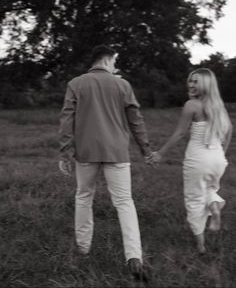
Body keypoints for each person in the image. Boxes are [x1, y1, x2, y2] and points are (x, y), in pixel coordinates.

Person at [58, 44, 155, 281]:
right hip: (117, 152)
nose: (115, 66)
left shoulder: (76, 84)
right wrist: (146, 149)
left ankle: (83, 249)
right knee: (124, 202)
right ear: (108, 59)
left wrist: (64, 152)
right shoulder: (122, 84)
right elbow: (136, 120)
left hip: (86, 152)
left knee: (83, 196)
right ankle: (134, 257)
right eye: (114, 61)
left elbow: (66, 120)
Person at [154, 68, 232, 254]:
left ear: (205, 84)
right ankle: (214, 208)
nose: (190, 84)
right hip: (217, 159)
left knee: (194, 199)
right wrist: (223, 154)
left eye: (196, 81)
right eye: (190, 80)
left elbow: (180, 133)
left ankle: (200, 246)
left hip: (198, 159)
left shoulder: (191, 105)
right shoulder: (218, 105)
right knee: (210, 188)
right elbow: (229, 131)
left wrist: (160, 153)